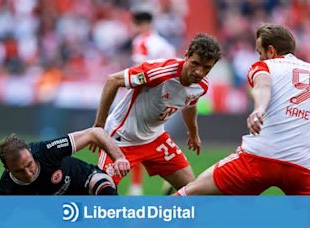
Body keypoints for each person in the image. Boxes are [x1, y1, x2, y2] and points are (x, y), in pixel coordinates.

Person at [175, 23, 310, 196]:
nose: (259, 58)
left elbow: (263, 85)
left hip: (260, 157)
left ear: (271, 51)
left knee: (190, 193)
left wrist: (259, 109)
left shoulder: (266, 66)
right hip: (303, 166)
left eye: (259, 53)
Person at [91, 33, 222, 193]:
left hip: (155, 139)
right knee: (100, 194)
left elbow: (190, 105)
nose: (199, 72)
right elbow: (113, 81)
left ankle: (163, 215)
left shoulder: (201, 86)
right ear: (186, 55)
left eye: (207, 68)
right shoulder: (158, 72)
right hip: (122, 139)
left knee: (192, 191)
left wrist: (193, 132)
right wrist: (99, 126)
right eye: (195, 63)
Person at [0, 127, 130, 195]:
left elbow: (94, 133)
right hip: (64, 211)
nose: (28, 173)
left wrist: (119, 158)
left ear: (31, 153)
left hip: (86, 180)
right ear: (7, 169)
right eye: (19, 170)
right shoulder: (7, 188)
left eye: (29, 164)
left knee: (102, 184)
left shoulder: (46, 151)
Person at [128, 11, 177, 195]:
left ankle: (136, 187)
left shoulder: (140, 42)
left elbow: (140, 71)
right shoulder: (165, 44)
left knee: (135, 138)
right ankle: (169, 178)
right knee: (155, 137)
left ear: (140, 24)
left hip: (148, 96)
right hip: (167, 97)